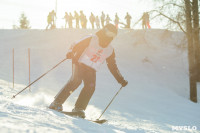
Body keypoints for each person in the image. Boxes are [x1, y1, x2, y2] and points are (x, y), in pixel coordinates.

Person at [49, 24, 128, 118]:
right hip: (79, 62)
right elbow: (75, 44)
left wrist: (120, 79)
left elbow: (112, 66)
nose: (110, 37)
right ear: (104, 31)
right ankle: (56, 102)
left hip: (91, 69)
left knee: (90, 87)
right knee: (76, 81)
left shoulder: (110, 50)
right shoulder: (92, 38)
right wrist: (70, 52)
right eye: (109, 33)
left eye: (113, 36)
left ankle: (79, 108)